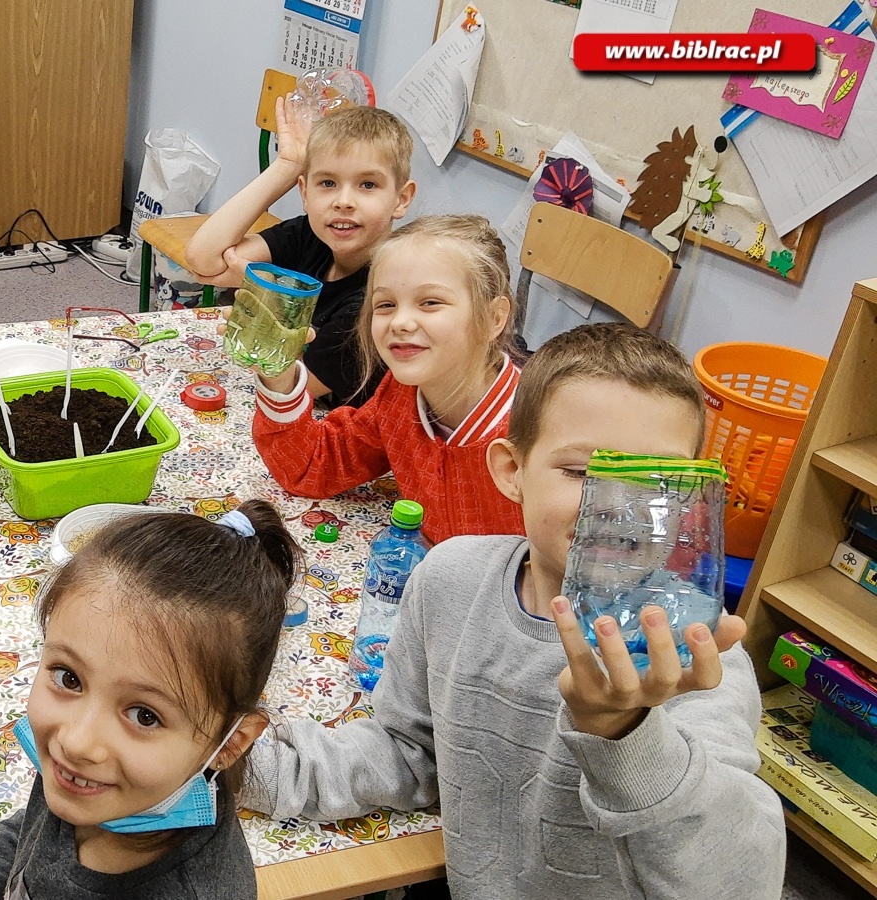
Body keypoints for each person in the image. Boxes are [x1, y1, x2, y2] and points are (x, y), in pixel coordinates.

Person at [244, 322, 786, 900]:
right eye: (582, 472)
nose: (619, 505)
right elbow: (410, 750)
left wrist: (627, 734)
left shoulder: (693, 660)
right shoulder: (451, 579)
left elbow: (738, 881)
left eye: (655, 480)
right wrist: (241, 767)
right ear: (511, 470)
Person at [0, 501, 300, 900]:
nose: (77, 741)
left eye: (144, 716)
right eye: (69, 678)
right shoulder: (83, 781)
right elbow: (27, 839)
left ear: (230, 743)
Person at [251, 215, 525, 545]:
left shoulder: (536, 432)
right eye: (386, 304)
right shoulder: (400, 396)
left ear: (493, 318)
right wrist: (279, 377)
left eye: (430, 302)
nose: (401, 322)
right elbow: (312, 467)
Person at [184, 102, 416, 403]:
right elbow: (204, 259)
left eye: (367, 184)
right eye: (328, 183)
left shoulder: (381, 297)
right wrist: (288, 167)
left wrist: (274, 301)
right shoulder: (312, 235)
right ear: (305, 192)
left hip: (339, 430)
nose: (343, 201)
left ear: (401, 198)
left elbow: (294, 390)